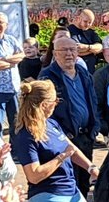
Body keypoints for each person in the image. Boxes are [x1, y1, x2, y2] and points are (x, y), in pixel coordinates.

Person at [39, 35, 98, 168]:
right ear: (55, 54)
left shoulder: (83, 73)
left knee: (86, 176)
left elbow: (93, 101)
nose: (69, 54)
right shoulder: (47, 76)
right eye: (64, 50)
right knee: (68, 179)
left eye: (72, 49)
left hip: (86, 136)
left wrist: (95, 127)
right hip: (63, 138)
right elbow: (43, 107)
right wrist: (58, 133)